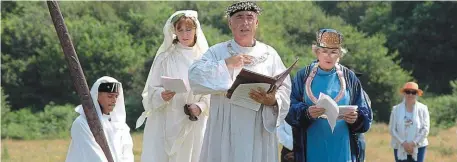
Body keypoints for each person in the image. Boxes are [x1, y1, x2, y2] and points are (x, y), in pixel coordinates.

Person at [188, 1, 291, 162]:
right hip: (225, 126)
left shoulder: (270, 54)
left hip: (258, 127)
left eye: (250, 17)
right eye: (239, 17)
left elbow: (285, 88)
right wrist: (226, 64)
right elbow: (194, 75)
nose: (245, 23)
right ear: (230, 23)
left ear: (256, 23)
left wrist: (272, 100)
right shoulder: (217, 52)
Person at [285, 28, 372, 162]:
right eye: (324, 51)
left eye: (333, 52)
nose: (328, 56)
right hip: (311, 147)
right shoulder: (303, 76)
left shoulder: (350, 77)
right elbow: (289, 110)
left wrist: (357, 117)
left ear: (340, 54)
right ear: (317, 52)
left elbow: (365, 113)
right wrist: (306, 113)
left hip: (343, 147)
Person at [136, 10, 210, 162]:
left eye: (188, 29)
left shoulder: (205, 60)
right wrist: (161, 95)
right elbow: (152, 89)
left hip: (194, 122)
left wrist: (201, 106)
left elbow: (211, 91)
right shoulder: (165, 58)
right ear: (174, 31)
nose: (184, 34)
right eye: (180, 29)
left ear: (196, 30)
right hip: (166, 119)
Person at [66, 76, 134, 162]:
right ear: (97, 95)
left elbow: (127, 153)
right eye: (110, 96)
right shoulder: (82, 123)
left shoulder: (120, 126)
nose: (114, 100)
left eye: (116, 96)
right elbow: (92, 156)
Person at [389, 82, 429, 162]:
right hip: (400, 146)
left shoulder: (423, 108)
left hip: (419, 146)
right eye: (408, 92)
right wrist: (404, 143)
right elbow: (392, 129)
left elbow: (425, 129)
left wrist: (413, 143)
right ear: (404, 93)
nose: (410, 95)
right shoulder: (396, 109)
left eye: (413, 92)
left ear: (417, 94)